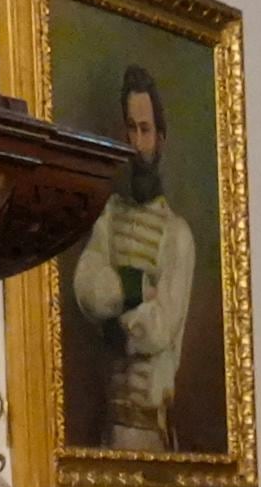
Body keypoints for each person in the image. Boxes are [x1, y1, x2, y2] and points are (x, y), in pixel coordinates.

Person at [68, 64, 200, 451]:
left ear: (159, 138)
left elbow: (158, 329)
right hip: (108, 430)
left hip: (151, 434)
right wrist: (138, 287)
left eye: (144, 130)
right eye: (130, 127)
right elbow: (86, 290)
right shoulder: (108, 216)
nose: (136, 141)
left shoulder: (178, 235)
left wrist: (113, 328)